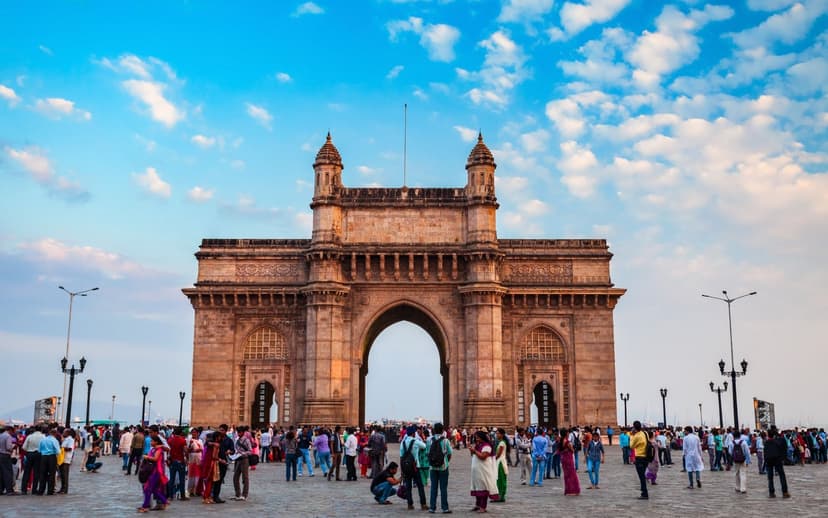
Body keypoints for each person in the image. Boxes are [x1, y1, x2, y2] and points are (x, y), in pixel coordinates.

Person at [138, 435, 169, 512]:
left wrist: (146, 457)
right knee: (154, 490)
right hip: (151, 471)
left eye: (152, 441)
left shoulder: (159, 450)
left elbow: (155, 459)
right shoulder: (153, 449)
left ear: (156, 442)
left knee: (147, 489)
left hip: (156, 472)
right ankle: (164, 501)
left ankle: (145, 507)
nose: (151, 442)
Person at [469, 431, 498, 513]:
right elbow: (473, 455)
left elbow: (483, 456)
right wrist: (471, 450)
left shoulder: (487, 446)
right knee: (477, 487)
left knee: (483, 488)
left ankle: (483, 506)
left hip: (483, 470)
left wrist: (474, 451)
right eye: (476, 437)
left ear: (482, 437)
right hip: (477, 470)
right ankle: (477, 505)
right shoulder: (478, 445)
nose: (476, 438)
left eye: (477, 437)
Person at [427, 422, 453, 514]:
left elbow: (427, 453)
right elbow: (449, 454)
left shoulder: (429, 440)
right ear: (442, 430)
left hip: (433, 468)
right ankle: (444, 508)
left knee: (433, 488)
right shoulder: (446, 441)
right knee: (443, 488)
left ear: (434, 430)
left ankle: (432, 508)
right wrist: (445, 461)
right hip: (443, 467)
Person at [400, 425, 427, 511]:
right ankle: (423, 504)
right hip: (415, 466)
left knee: (408, 486)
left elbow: (401, 457)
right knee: (420, 486)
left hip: (406, 467)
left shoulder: (403, 443)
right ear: (413, 433)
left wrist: (402, 469)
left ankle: (410, 504)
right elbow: (424, 446)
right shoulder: (415, 441)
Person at [764, 426, 790, 498]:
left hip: (769, 461)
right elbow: (783, 450)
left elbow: (765, 453)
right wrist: (783, 459)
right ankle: (784, 492)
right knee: (782, 475)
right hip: (777, 460)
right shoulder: (779, 441)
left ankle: (771, 493)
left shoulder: (766, 442)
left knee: (770, 477)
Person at [36, 428, 60, 495]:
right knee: (52, 474)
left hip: (43, 457)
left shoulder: (43, 440)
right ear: (55, 434)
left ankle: (41, 490)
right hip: (51, 457)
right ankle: (50, 490)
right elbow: (58, 451)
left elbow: (39, 450)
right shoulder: (54, 440)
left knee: (43, 474)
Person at [21, 425, 44, 494]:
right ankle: (34, 489)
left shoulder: (29, 436)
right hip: (39, 455)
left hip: (30, 454)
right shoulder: (43, 437)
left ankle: (24, 489)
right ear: (41, 430)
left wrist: (29, 450)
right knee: (36, 472)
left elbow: (24, 447)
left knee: (27, 472)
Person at [166, 427, 188, 501]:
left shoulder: (170, 440)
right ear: (181, 433)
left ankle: (170, 496)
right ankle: (182, 496)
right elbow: (185, 451)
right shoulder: (183, 440)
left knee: (171, 479)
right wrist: (187, 458)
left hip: (172, 461)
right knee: (182, 479)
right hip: (180, 461)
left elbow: (168, 450)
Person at [232, 425, 252, 501]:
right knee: (235, 477)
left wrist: (242, 453)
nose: (238, 433)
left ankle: (244, 494)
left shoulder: (246, 440)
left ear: (243, 432)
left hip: (244, 459)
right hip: (238, 459)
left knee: (245, 478)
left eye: (239, 432)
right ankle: (237, 494)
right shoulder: (237, 440)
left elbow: (250, 451)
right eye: (237, 432)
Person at [630, 421, 649, 500]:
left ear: (634, 427)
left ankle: (644, 493)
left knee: (641, 477)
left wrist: (632, 436)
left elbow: (631, 446)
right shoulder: (645, 433)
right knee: (643, 475)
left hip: (639, 457)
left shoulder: (636, 436)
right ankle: (643, 491)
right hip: (646, 457)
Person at [729, 429, 751, 494]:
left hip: (735, 460)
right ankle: (743, 488)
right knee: (743, 473)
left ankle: (737, 487)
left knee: (736, 473)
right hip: (743, 460)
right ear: (740, 436)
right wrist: (748, 460)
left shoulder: (731, 443)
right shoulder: (743, 442)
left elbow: (730, 452)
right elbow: (747, 452)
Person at [57, 428, 75, 494]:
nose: (63, 433)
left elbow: (69, 448)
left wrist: (61, 449)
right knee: (62, 474)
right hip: (62, 459)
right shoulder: (66, 439)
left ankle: (64, 489)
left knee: (65, 475)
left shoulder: (70, 440)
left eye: (64, 432)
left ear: (68, 433)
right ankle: (62, 488)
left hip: (66, 459)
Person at [493, 428, 509, 502]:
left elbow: (498, 454)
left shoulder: (502, 443)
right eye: (496, 433)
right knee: (500, 479)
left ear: (502, 434)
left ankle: (500, 495)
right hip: (500, 462)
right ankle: (500, 495)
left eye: (498, 433)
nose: (497, 435)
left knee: (500, 479)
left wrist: (493, 460)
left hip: (500, 462)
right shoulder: (501, 442)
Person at [187, 428, 203, 497]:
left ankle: (197, 490)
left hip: (198, 459)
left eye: (195, 432)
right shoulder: (189, 440)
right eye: (192, 432)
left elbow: (202, 449)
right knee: (191, 475)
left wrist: (199, 450)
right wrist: (190, 446)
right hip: (192, 459)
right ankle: (191, 491)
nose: (194, 434)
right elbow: (187, 450)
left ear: (198, 433)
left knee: (198, 475)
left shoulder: (200, 441)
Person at [0, 426, 16, 495]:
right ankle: (9, 490)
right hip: (5, 455)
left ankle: (0, 489)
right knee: (8, 473)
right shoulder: (8, 436)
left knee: (0, 473)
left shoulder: (1, 435)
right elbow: (8, 447)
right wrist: (13, 448)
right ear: (10, 430)